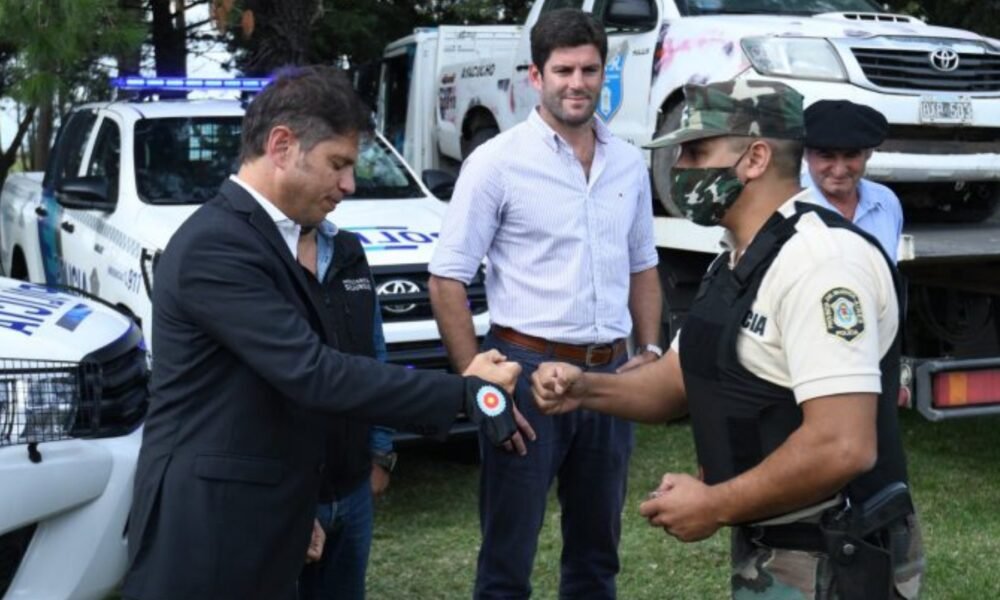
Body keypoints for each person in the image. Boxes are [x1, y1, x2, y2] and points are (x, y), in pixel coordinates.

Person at [122, 65, 528, 600]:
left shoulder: (278, 239)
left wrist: (296, 506)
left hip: (260, 516)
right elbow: (314, 373)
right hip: (205, 535)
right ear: (282, 146)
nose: (349, 185)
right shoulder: (216, 246)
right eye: (338, 164)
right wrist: (466, 392)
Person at [531, 81, 923, 599]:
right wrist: (583, 388)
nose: (680, 169)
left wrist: (713, 505)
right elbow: (675, 380)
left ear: (755, 158)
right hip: (778, 545)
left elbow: (842, 446)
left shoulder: (821, 264)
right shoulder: (736, 260)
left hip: (839, 555)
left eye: (696, 152)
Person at [428, 9, 662, 598]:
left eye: (589, 69)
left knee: (597, 557)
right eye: (563, 70)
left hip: (609, 374)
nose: (577, 83)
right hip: (524, 372)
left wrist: (651, 349)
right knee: (507, 560)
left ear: (603, 73)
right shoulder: (496, 163)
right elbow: (446, 278)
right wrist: (476, 378)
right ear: (536, 76)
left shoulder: (628, 162)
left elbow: (643, 266)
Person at [294, 218, 395, 599]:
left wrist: (381, 452)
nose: (347, 189)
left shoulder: (348, 247)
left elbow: (375, 354)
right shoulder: (256, 252)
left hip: (352, 486)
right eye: (336, 167)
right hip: (287, 492)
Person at [802, 99, 904, 262]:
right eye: (827, 156)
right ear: (805, 154)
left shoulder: (885, 202)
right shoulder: (787, 206)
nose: (839, 171)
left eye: (851, 155)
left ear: (868, 154)